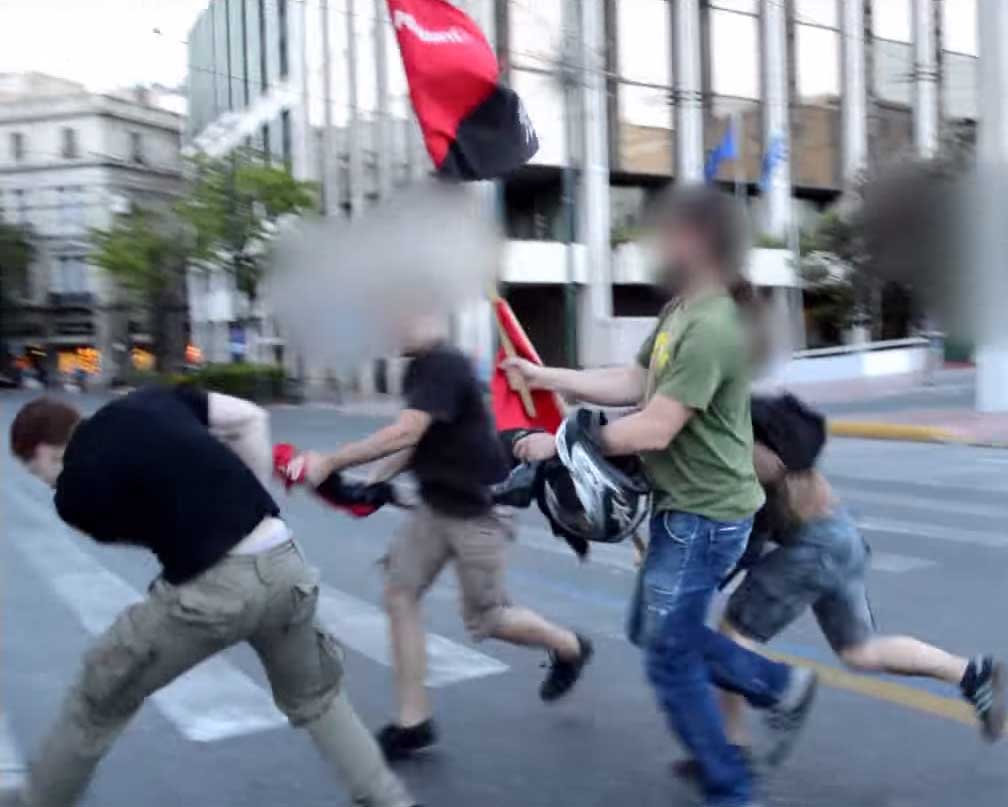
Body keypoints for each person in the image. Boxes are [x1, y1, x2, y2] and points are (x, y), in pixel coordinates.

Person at [503, 185, 817, 807]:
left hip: (705, 515)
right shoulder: (682, 310)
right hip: (685, 510)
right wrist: (547, 376)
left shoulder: (713, 324)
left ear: (695, 240)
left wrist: (559, 447)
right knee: (653, 631)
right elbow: (635, 381)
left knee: (669, 656)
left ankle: (731, 786)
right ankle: (778, 686)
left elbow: (656, 426)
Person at [7, 387, 416, 807]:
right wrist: (250, 500)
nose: (44, 481)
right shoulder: (149, 399)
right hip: (281, 558)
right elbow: (250, 418)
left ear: (43, 451)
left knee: (97, 698)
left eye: (36, 471)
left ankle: (39, 800)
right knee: (319, 701)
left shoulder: (72, 495)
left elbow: (135, 532)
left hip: (211, 592)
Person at [289, 315, 593, 762]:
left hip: (479, 510)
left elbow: (406, 431)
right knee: (399, 592)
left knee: (488, 619)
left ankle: (570, 647)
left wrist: (330, 462)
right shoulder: (419, 367)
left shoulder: (444, 363)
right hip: (435, 508)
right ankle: (413, 721)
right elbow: (416, 440)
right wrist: (372, 483)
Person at [710, 439, 1007, 756]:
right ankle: (974, 675)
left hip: (812, 546)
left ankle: (732, 746)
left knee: (734, 634)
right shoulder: (750, 431)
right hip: (838, 532)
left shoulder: (739, 440)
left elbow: (753, 507)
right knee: (860, 651)